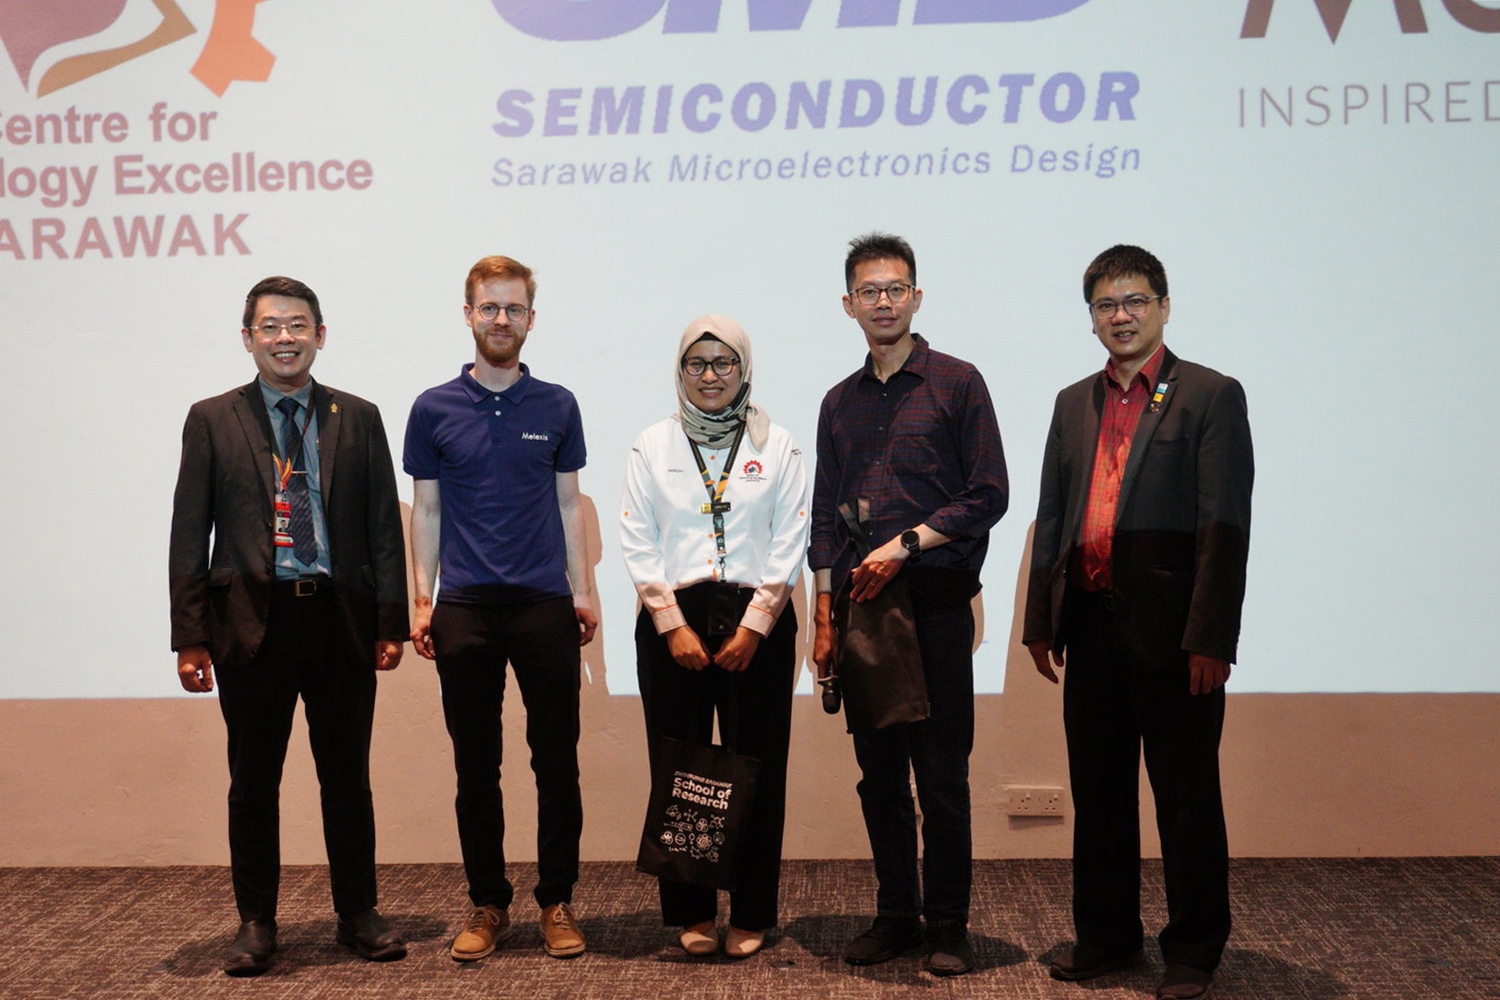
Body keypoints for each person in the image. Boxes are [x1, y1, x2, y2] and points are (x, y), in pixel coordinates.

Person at [1023, 245, 1253, 1000]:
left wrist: (1211, 638)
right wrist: (1040, 622)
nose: (1120, 316)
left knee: (1186, 798)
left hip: (1174, 637)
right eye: (1105, 305)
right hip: (1089, 627)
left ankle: (1192, 952)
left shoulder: (1211, 396)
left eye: (1134, 302)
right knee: (1101, 793)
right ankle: (1107, 939)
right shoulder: (1071, 401)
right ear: (1090, 319)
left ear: (1163, 306)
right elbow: (1052, 514)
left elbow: (1224, 526)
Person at [169, 276, 410, 976]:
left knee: (347, 779)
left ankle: (358, 914)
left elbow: (381, 533)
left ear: (320, 335)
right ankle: (255, 922)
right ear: (248, 338)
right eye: (270, 326)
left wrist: (387, 621)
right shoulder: (212, 418)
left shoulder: (357, 417)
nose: (285, 337)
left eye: (298, 325)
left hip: (338, 622)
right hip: (250, 626)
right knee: (252, 782)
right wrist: (190, 635)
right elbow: (191, 533)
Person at [809, 232, 1008, 976]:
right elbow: (826, 518)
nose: (883, 301)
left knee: (943, 778)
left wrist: (909, 543)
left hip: (935, 605)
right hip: (863, 615)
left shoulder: (957, 384)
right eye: (870, 291)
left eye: (896, 289)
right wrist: (824, 618)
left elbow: (989, 495)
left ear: (917, 297)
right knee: (879, 776)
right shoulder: (838, 402)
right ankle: (896, 914)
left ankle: (948, 925)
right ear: (848, 305)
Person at [404, 254, 597, 962]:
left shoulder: (557, 404)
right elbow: (426, 511)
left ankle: (557, 900)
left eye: (514, 309)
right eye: (489, 307)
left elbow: (568, 502)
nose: (501, 320)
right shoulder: (433, 408)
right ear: (468, 314)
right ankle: (488, 902)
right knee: (475, 766)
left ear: (531, 320)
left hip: (544, 604)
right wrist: (422, 600)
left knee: (556, 763)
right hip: (465, 610)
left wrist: (580, 591)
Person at [620, 316, 809, 959]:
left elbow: (790, 537)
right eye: (696, 364)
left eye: (723, 364)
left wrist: (757, 625)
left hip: (759, 618)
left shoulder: (777, 443)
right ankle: (693, 910)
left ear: (743, 370)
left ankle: (752, 910)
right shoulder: (653, 443)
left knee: (758, 768)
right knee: (682, 771)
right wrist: (670, 623)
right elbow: (637, 539)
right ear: (680, 371)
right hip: (673, 617)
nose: (710, 376)